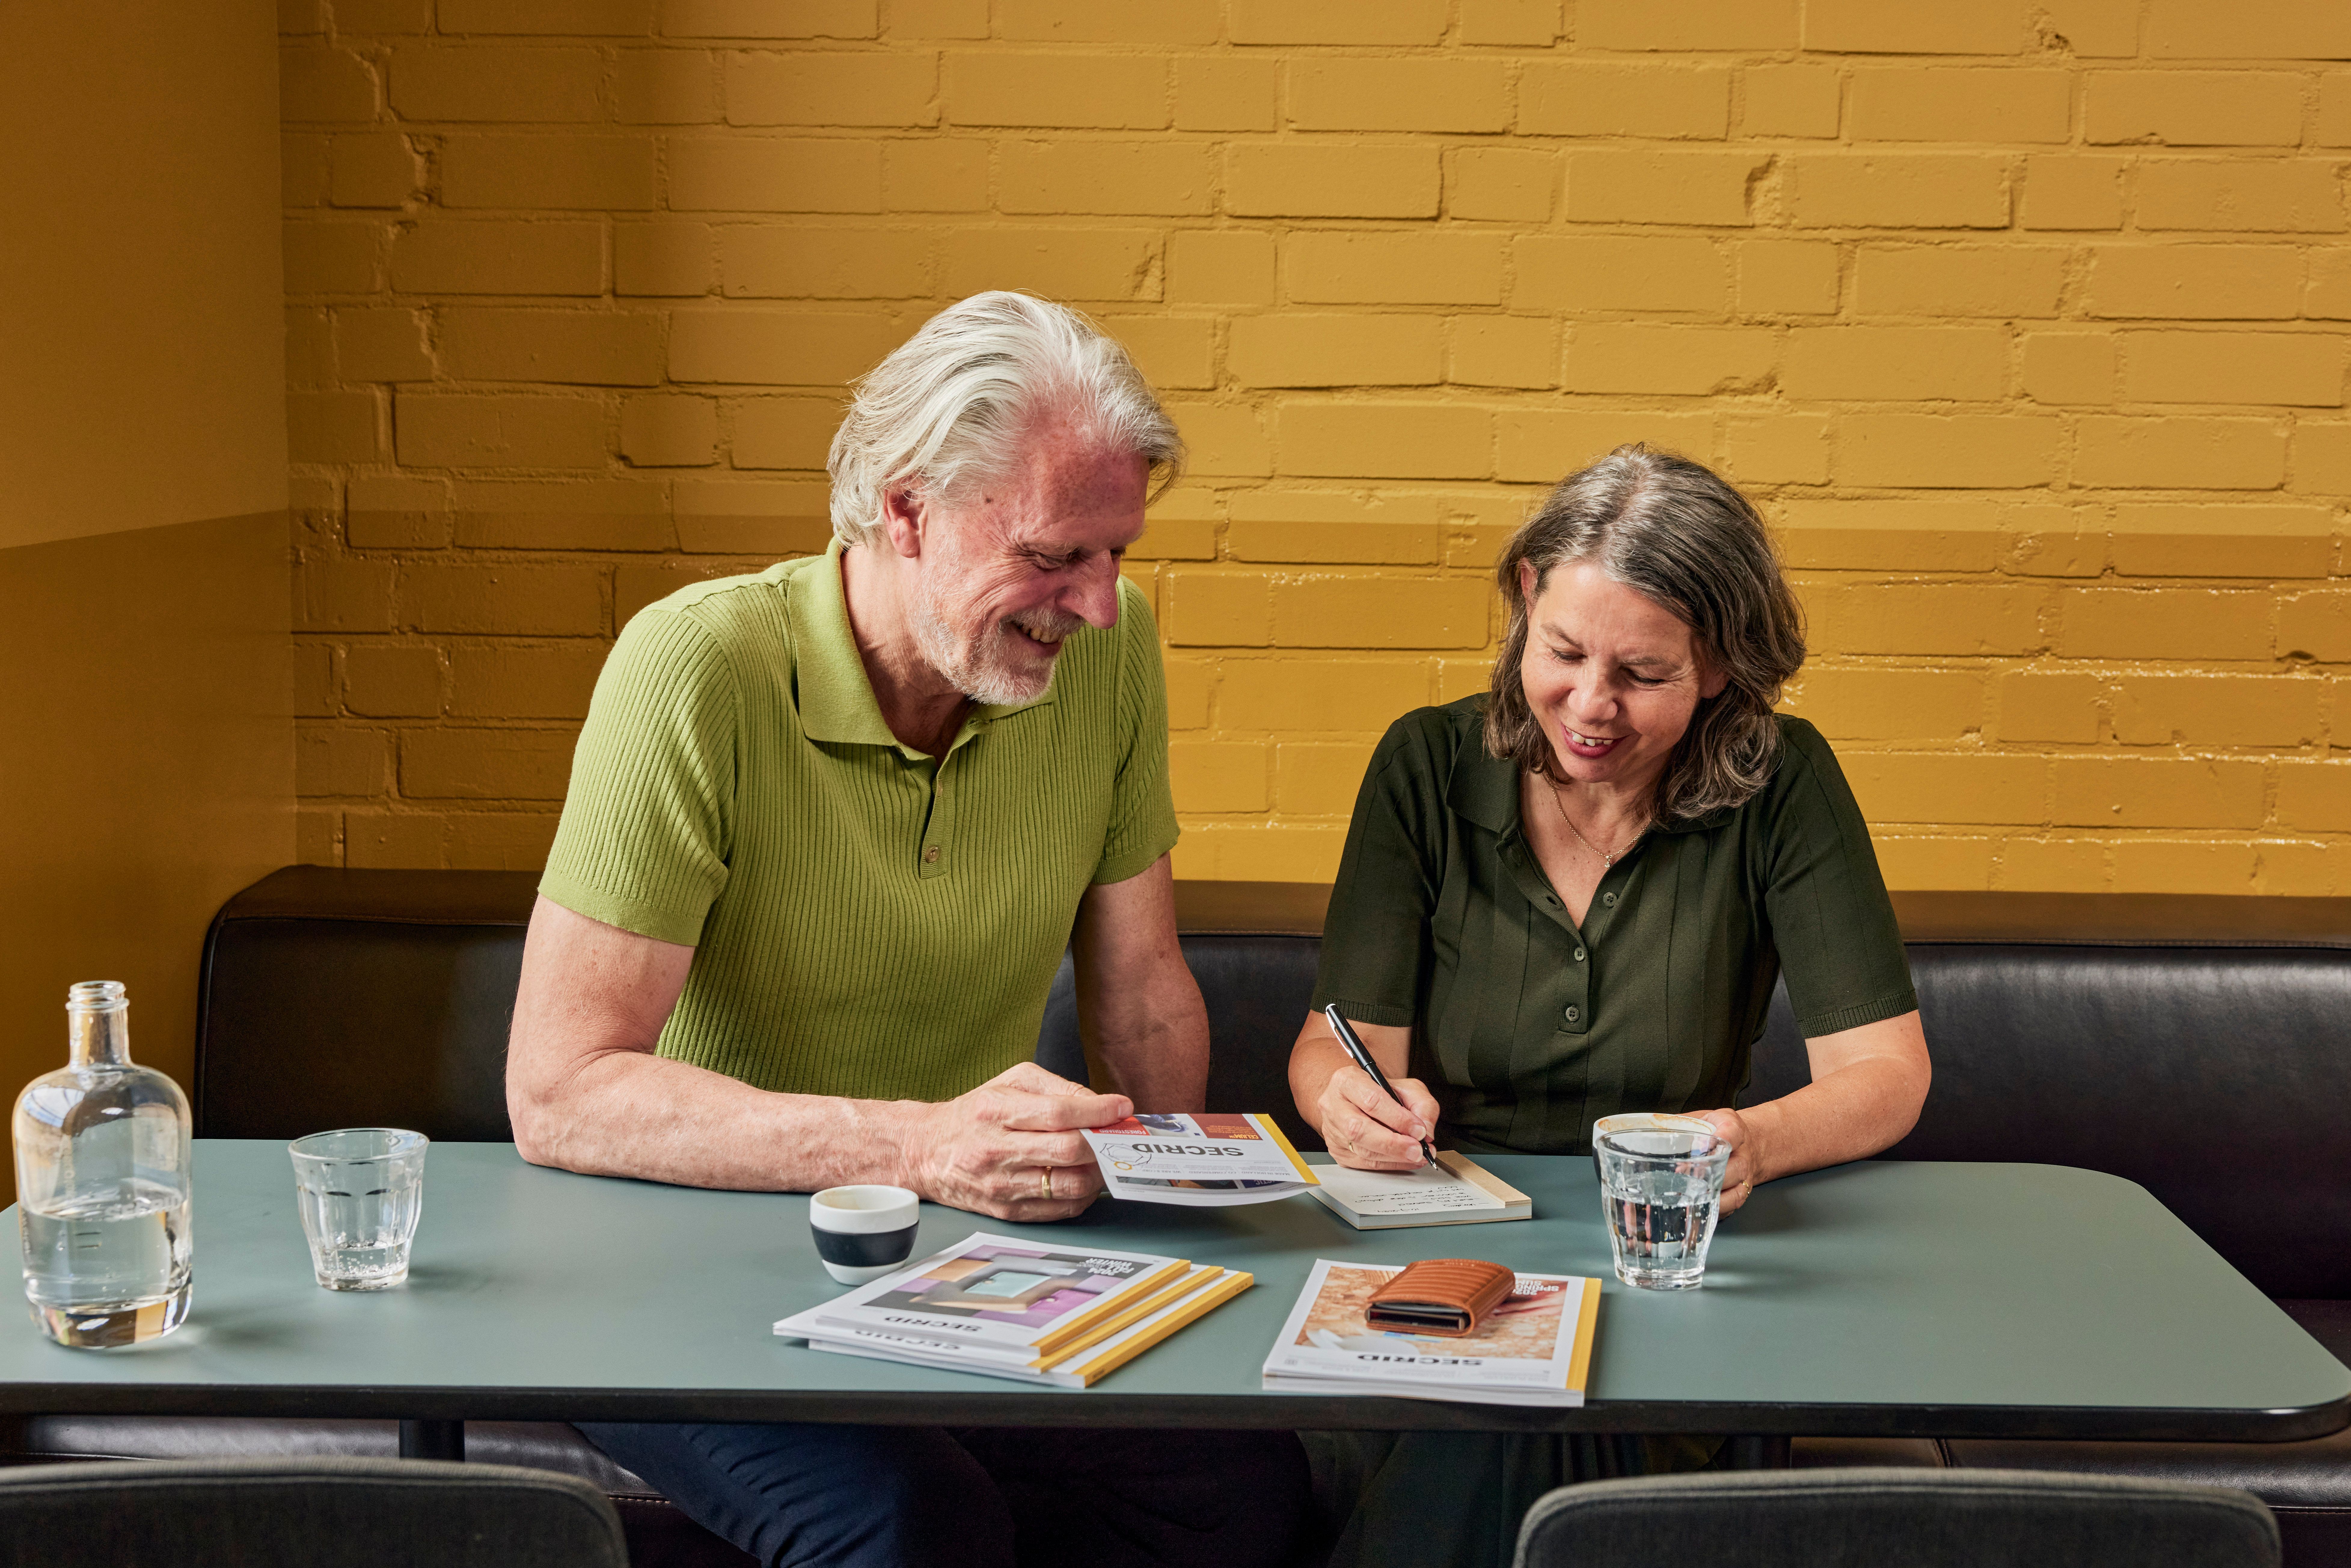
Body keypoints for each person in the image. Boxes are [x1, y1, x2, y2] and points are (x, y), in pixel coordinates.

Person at [506, 292, 1311, 1568]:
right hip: (672, 1262)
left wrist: (1178, 1216)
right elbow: (560, 1093)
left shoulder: (1111, 648)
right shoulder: (695, 666)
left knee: (1238, 1483)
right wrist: (922, 1143)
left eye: (1116, 556)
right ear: (905, 507)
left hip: (947, 1262)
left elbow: (1146, 988)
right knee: (908, 1521)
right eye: (1058, 555)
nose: (1097, 605)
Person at [1287, 444, 1933, 1568]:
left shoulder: (1787, 784)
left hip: (1672, 1263)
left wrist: (1755, 1141)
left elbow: (1889, 1077)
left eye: (1642, 674)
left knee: (1516, 1426)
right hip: (1446, 1248)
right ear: (1526, 599)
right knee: (1503, 1420)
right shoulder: (1424, 767)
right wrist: (1347, 1104)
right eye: (1565, 653)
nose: (1589, 707)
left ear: (1723, 667)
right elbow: (1329, 1051)